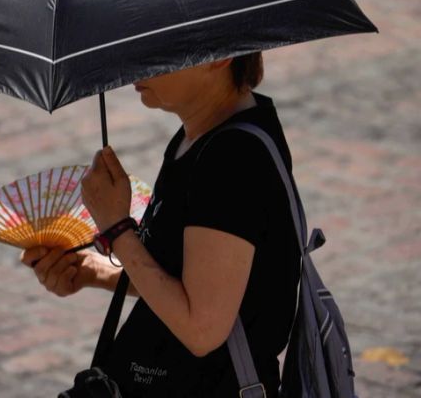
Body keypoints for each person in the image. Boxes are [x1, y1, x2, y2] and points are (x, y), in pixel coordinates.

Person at [20, 52, 302, 397]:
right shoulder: (198, 136)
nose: (135, 65)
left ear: (219, 57)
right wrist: (94, 272)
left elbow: (202, 329)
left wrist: (116, 228)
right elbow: (191, 277)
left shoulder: (232, 160)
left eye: (161, 49)